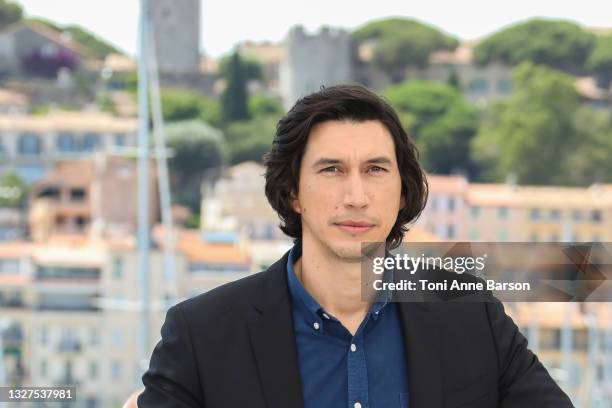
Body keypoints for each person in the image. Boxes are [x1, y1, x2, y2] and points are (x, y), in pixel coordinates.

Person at [138, 85, 573, 407]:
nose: (357, 196)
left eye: (376, 170)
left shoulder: (469, 313)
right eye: (332, 170)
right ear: (293, 192)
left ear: (403, 192)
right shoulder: (203, 334)